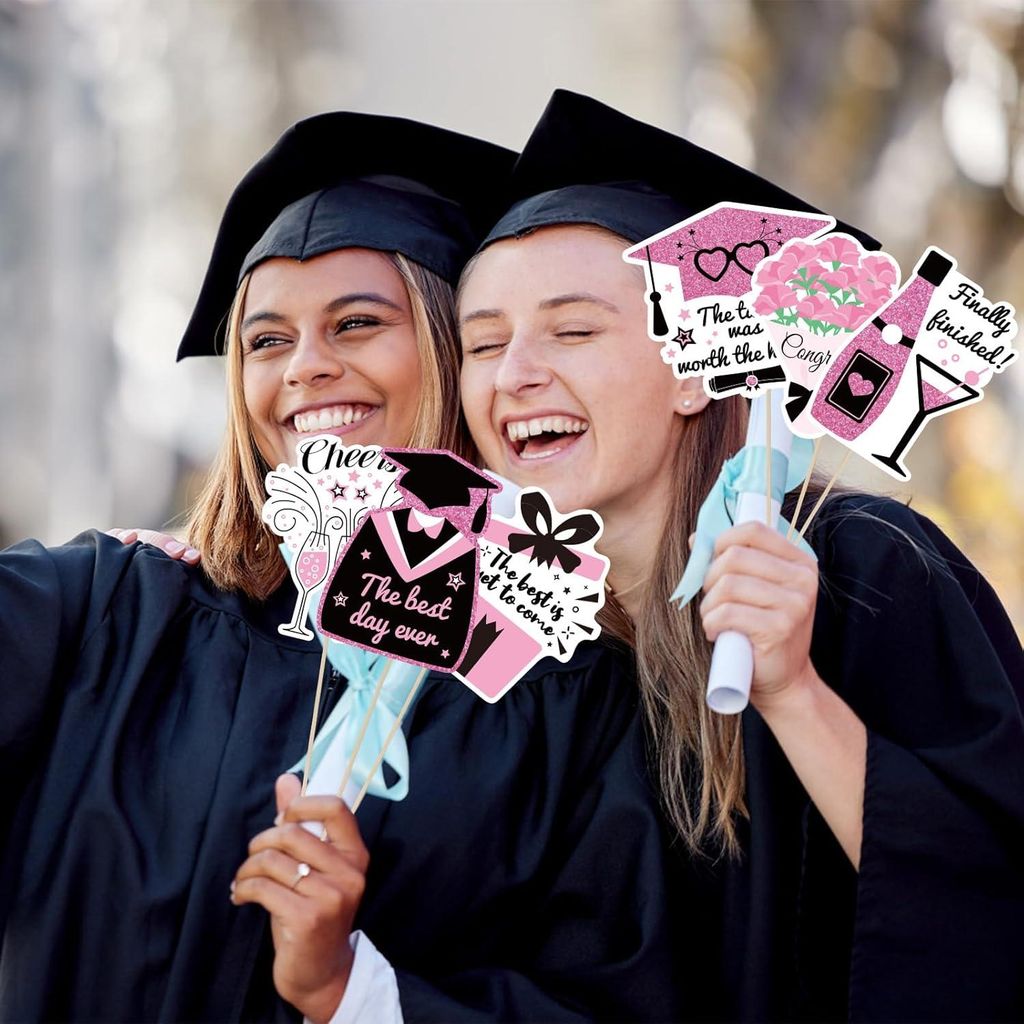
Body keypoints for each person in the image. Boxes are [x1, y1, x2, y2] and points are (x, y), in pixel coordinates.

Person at [2, 109, 689, 1024]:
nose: (305, 368)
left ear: (453, 348)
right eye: (267, 340)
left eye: (356, 323)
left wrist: (350, 990)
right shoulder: (111, 610)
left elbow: (613, 1002)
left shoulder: (570, 697)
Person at [451, 90, 1024, 1022]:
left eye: (573, 330)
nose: (515, 373)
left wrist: (794, 692)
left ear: (694, 371)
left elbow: (987, 894)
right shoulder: (523, 652)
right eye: (484, 344)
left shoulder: (865, 569)